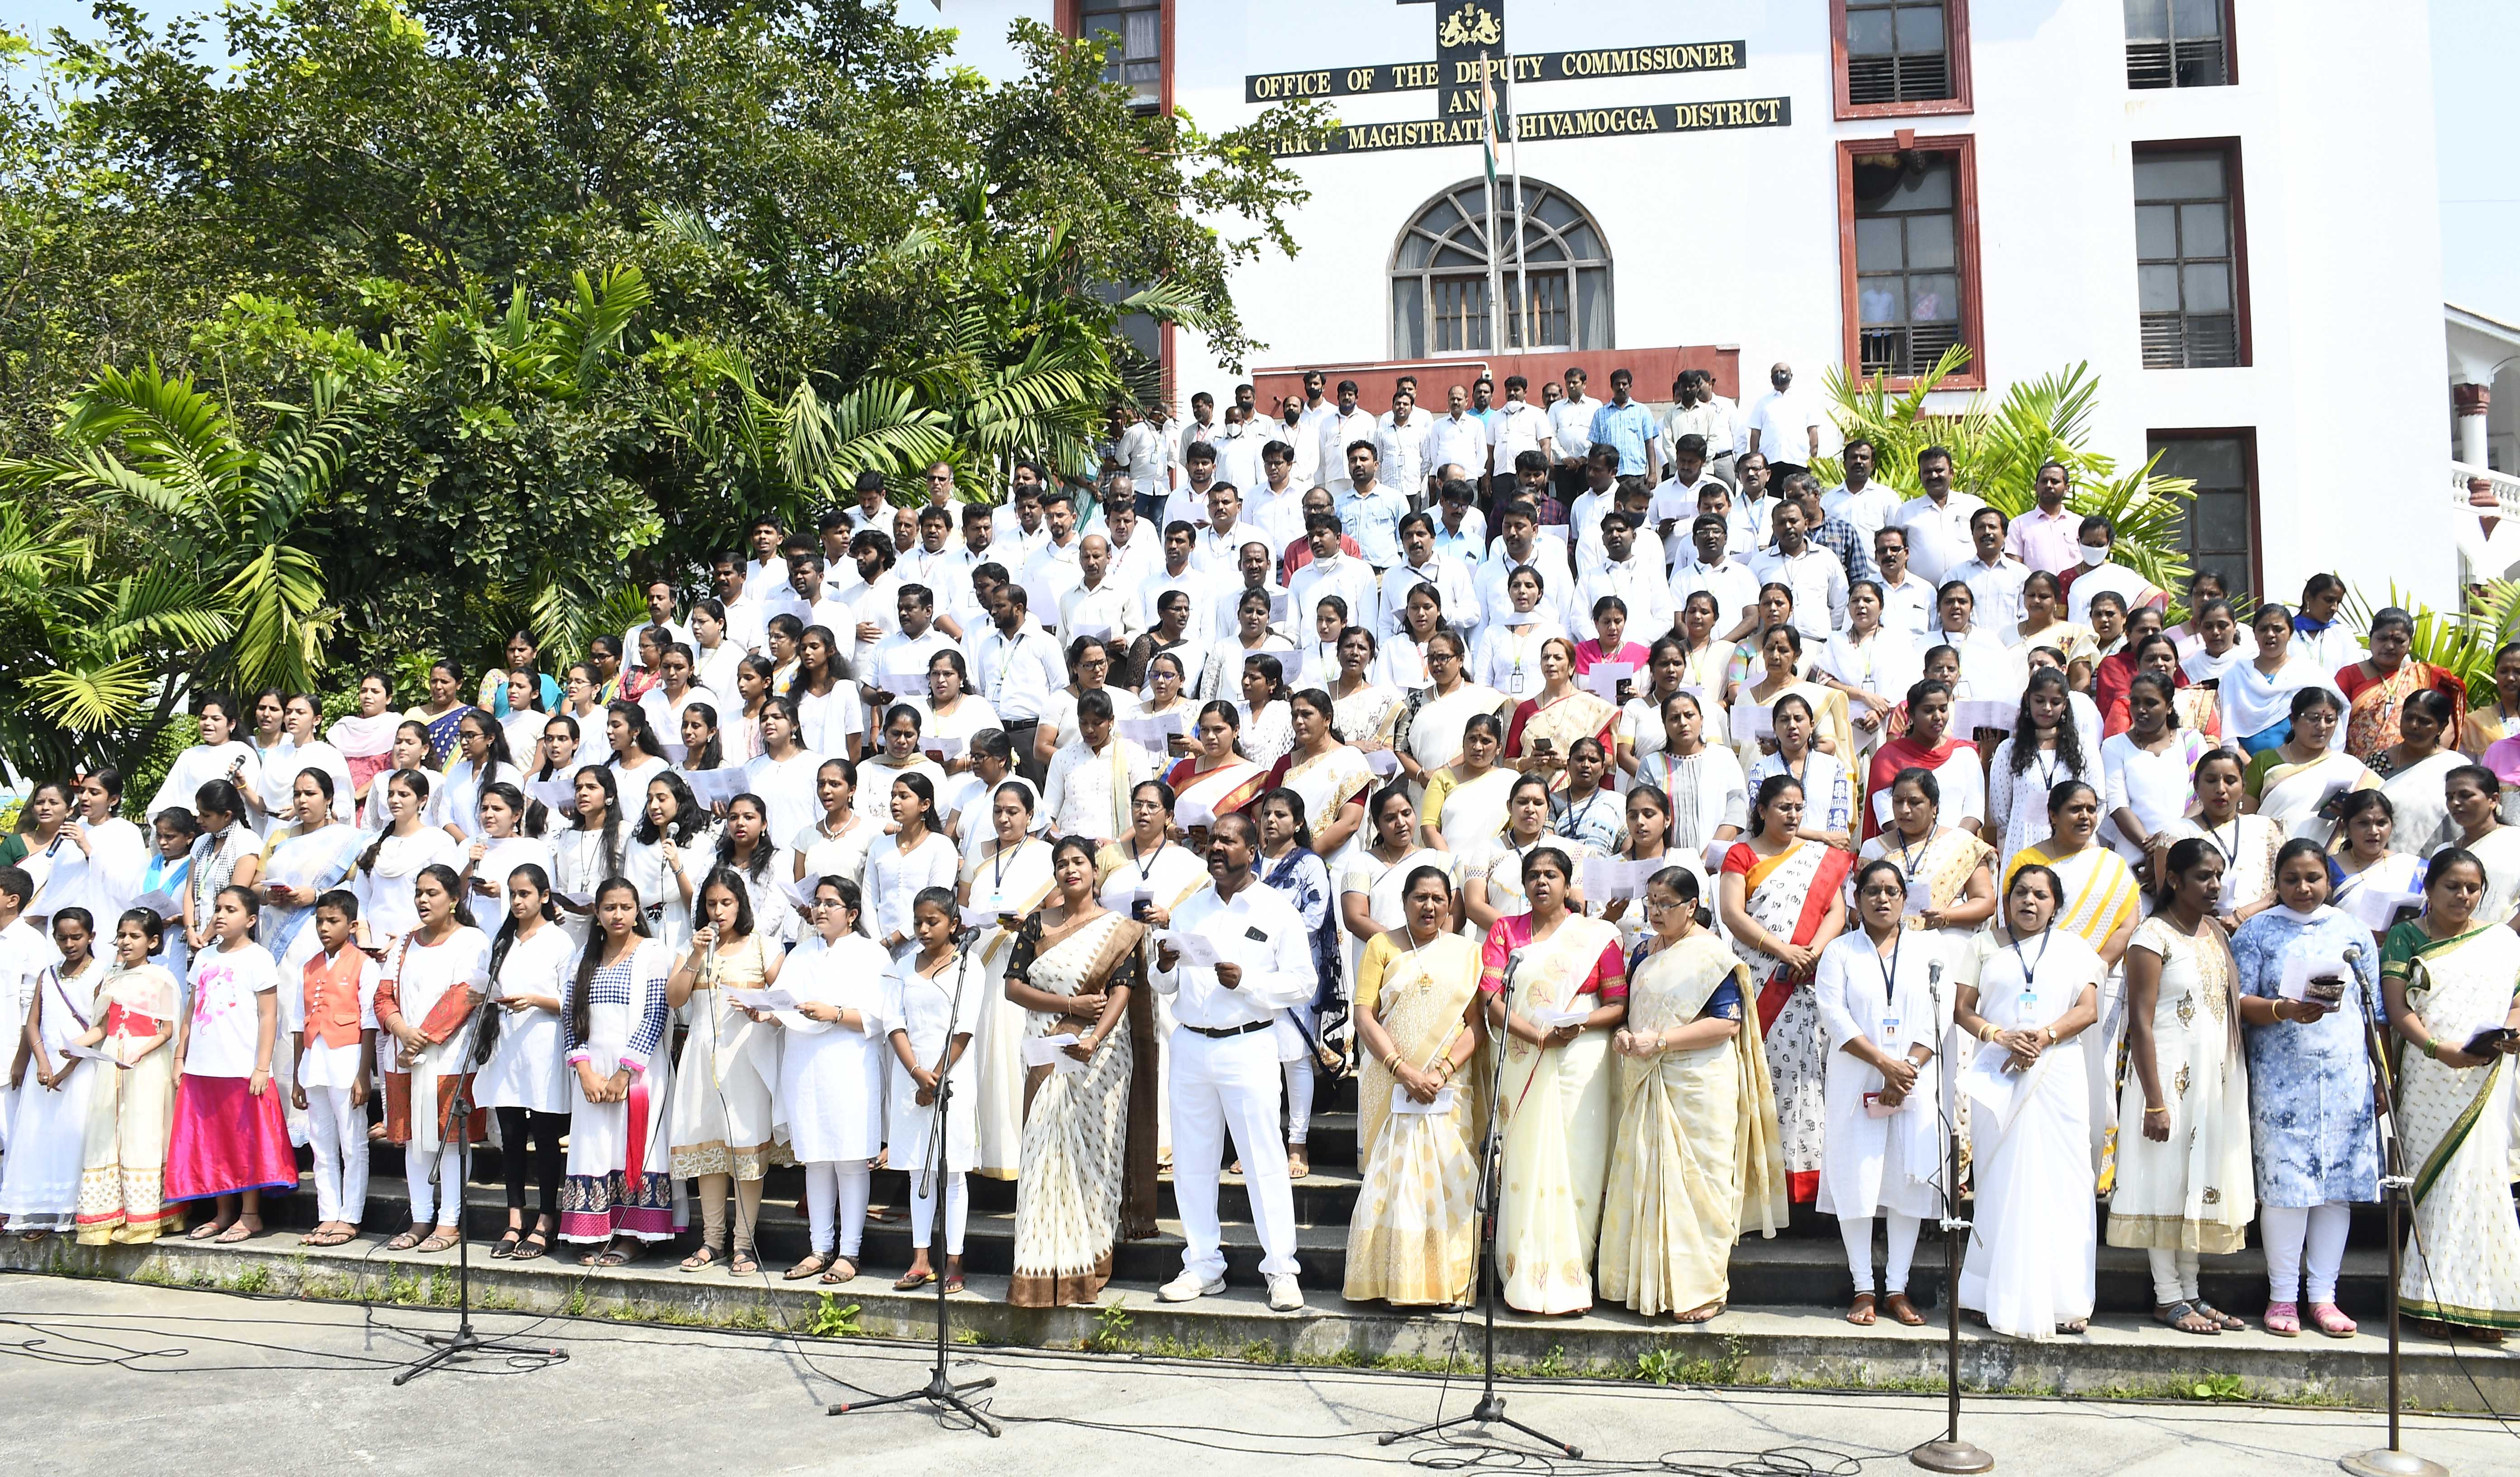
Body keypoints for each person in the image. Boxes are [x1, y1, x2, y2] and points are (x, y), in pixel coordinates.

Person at [1597, 867, 1784, 1321]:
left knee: (1701, 1186)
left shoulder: (1711, 957)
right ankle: (1641, 1284)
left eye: (1665, 904)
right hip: (1647, 1078)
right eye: (1651, 903)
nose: (1655, 912)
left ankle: (1701, 1290)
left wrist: (1659, 1041)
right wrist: (1625, 1034)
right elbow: (1634, 1013)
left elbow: (1728, 1023)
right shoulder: (1642, 952)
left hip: (1698, 1084)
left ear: (1692, 907)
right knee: (1646, 1174)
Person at [1152, 814, 1315, 1311]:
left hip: (1248, 1044)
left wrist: (1246, 982)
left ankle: (1281, 1269)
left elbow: (1303, 983)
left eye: (1229, 840)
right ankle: (1203, 1263)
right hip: (1191, 1044)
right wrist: (1162, 968)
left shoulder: (1275, 909)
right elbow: (1168, 986)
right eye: (1213, 840)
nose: (1217, 847)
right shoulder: (1189, 910)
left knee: (1264, 1160)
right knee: (1194, 1162)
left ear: (1252, 850)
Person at [2230, 840, 2380, 1338]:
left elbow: (2373, 1013)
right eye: (2291, 878)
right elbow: (2238, 1002)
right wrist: (2283, 1009)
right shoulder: (2257, 933)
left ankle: (2324, 1296)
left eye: (2313, 877)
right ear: (2277, 881)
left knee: (2334, 1193)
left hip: (2344, 1077)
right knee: (2285, 1192)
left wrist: (2383, 1075)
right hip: (2280, 1077)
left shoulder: (2354, 933)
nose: (2303, 888)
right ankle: (2282, 1296)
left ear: (2329, 880)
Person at [1953, 864, 2105, 1339]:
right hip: (2000, 1069)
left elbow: (2088, 1009)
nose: (2030, 902)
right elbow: (1963, 1010)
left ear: (2055, 904)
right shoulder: (1983, 945)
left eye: (2041, 895)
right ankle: (1986, 1294)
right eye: (2021, 892)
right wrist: (2000, 1035)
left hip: (2057, 1071)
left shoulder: (2075, 950)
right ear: (2007, 899)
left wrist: (2044, 1035)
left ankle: (2066, 1300)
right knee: (2000, 1180)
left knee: (2066, 1179)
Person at [2110, 839, 2256, 1335]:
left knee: (2198, 1181)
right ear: (2174, 879)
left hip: (2213, 1078)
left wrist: (2285, 1008)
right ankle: (2167, 1295)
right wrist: (2154, 1100)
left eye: (2219, 875)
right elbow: (2142, 1023)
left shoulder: (2215, 932)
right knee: (2166, 1179)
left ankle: (2191, 1290)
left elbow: (2232, 1004)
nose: (2214, 885)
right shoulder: (2152, 937)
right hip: (2167, 1077)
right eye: (2203, 876)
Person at [1007, 834, 1156, 1306]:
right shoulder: (1035, 924)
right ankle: (1039, 1268)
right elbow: (1013, 986)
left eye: (1078, 862)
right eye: (1061, 863)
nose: (1070, 869)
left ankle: (1090, 1259)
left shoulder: (1119, 929)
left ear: (1095, 872)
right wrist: (1068, 1003)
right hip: (1045, 1048)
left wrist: (1093, 1037)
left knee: (1097, 1153)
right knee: (1043, 1151)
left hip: (1102, 1056)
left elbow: (1122, 990)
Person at [2379, 848, 2520, 1341]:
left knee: (2480, 1181)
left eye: (2473, 888)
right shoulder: (2406, 936)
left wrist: (2510, 1033)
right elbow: (2397, 1010)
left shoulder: (2501, 941)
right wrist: (2440, 1050)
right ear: (2430, 890)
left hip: (2486, 1075)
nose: (2463, 896)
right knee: (2435, 1185)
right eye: (2452, 887)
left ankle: (2484, 1305)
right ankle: (2428, 1303)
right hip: (2428, 1074)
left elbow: (2517, 999)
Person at [1482, 844, 1627, 1314]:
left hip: (1582, 1055)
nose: (1542, 882)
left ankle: (1572, 1274)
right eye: (1534, 875)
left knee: (1578, 1158)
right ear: (1523, 884)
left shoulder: (1597, 936)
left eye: (1552, 875)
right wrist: (1537, 1034)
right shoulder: (1506, 931)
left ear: (1568, 884)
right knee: (1527, 1156)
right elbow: (1490, 998)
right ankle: (1523, 1274)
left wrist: (1577, 1026)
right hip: (1527, 1051)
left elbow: (1616, 1004)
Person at [1815, 861, 1954, 1327]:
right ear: (1856, 897)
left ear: (1905, 897)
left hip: (1913, 1082)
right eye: (1872, 890)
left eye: (1892, 891)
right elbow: (1834, 1016)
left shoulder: (1930, 951)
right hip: (1858, 1076)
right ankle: (1862, 1288)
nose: (1882, 899)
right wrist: (1885, 1066)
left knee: (1906, 1183)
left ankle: (1897, 1288)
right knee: (1856, 1181)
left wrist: (1907, 1069)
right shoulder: (1839, 952)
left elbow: (1942, 1011)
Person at [1343, 863, 1485, 1307]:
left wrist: (1440, 1072)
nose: (1429, 906)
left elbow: (1475, 1027)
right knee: (1395, 1185)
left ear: (1450, 905)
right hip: (1392, 1082)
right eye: (1419, 898)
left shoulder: (1468, 953)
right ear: (1404, 903)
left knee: (1450, 1180)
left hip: (1448, 1087)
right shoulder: (1382, 946)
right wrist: (1402, 1070)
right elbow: (1364, 1015)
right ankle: (1391, 1282)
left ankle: (1449, 1284)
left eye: (1438, 899)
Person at [1718, 777, 1853, 1205]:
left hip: (1807, 979)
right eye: (1783, 807)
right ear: (1762, 810)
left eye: (1798, 808)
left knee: (1809, 1078)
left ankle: (1811, 1188)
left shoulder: (1819, 858)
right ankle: (1760, 1190)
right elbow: (1732, 915)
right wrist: (1783, 951)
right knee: (1762, 1078)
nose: (1793, 816)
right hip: (1760, 978)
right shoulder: (1741, 854)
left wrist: (1811, 952)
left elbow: (1837, 910)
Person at [668, 868, 787, 1276]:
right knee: (709, 1150)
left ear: (741, 904)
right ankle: (711, 1240)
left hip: (746, 1058)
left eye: (726, 903)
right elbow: (675, 999)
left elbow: (785, 1008)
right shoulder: (695, 947)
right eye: (711, 904)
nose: (718, 912)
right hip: (702, 1057)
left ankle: (744, 1244)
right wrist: (697, 955)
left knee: (745, 1151)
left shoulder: (764, 947)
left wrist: (763, 1011)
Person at [558, 877, 678, 1266]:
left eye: (626, 907)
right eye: (610, 908)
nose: (618, 915)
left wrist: (625, 1073)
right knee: (595, 1147)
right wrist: (585, 1071)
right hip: (593, 1075)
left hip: (639, 1074)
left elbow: (656, 1014)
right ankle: (598, 1230)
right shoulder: (581, 959)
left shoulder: (653, 953)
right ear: (596, 913)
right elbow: (570, 1016)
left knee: (635, 1147)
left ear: (637, 911)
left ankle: (633, 1236)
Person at [165, 885, 295, 1240]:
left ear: (251, 919)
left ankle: (250, 1214)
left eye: (231, 910)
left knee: (245, 1140)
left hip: (241, 1065)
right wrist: (181, 1055)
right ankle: (223, 1213)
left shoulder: (258, 958)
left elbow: (269, 1015)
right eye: (218, 908)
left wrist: (262, 1066)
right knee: (213, 1140)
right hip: (203, 1066)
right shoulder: (206, 957)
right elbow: (192, 1010)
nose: (220, 915)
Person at [374, 863, 492, 1254]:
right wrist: (402, 1032)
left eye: (432, 894)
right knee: (415, 1142)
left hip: (451, 1058)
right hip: (407, 1054)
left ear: (454, 899)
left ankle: (450, 1221)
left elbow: (464, 994)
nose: (423, 901)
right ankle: (421, 1215)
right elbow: (383, 995)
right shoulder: (407, 942)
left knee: (450, 1139)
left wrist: (420, 1039)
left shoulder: (472, 940)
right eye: (419, 894)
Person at [471, 865, 573, 1263]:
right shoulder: (502, 942)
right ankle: (515, 1218)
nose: (517, 902)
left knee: (546, 1140)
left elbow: (570, 1001)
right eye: (512, 894)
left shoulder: (559, 942)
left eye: (525, 894)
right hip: (507, 1047)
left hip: (544, 1048)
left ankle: (547, 1218)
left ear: (544, 897)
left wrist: (533, 999)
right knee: (511, 1138)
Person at [882, 887, 982, 1292]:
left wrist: (935, 1078)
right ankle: (921, 1258)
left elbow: (965, 1029)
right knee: (916, 1171)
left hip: (951, 1079)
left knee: (952, 1171)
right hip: (911, 1077)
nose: (922, 929)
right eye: (918, 921)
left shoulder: (968, 967)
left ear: (954, 925)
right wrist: (916, 1073)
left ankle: (954, 1259)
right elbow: (894, 1023)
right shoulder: (902, 967)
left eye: (932, 922)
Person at [70, 908, 182, 1244]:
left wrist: (139, 1051)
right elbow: (102, 1027)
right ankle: (110, 1214)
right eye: (122, 935)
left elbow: (166, 1029)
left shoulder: (161, 978)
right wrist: (77, 1044)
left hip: (145, 1061)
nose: (126, 942)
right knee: (109, 1130)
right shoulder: (112, 977)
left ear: (153, 942)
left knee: (142, 1129)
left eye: (134, 936)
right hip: (112, 1057)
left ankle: (145, 1216)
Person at [962, 782, 1057, 1180]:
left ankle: (1030, 1157)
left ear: (1030, 816)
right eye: (998, 811)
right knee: (988, 1062)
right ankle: (992, 1156)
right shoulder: (980, 862)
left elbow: (1061, 912)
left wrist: (1029, 925)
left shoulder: (1046, 856)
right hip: (985, 974)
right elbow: (964, 909)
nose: (1004, 818)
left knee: (1019, 1061)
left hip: (1026, 972)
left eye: (1013, 812)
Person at [0, 908, 102, 1237]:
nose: (70, 944)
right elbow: (34, 1022)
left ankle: (71, 1209)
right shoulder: (49, 973)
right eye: (62, 938)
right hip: (45, 1071)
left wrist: (70, 1065)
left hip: (82, 1068)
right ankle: (43, 1211)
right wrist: (41, 1062)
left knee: (74, 1135)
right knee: (41, 1135)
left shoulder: (101, 973)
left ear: (91, 937)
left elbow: (102, 1026)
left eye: (77, 937)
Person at [288, 892, 377, 1248]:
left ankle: (350, 1216)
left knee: (353, 1142)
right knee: (321, 1144)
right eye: (320, 921)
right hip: (315, 1063)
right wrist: (297, 1074)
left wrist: (363, 1075)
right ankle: (328, 1213)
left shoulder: (364, 965)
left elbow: (369, 1023)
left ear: (352, 925)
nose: (324, 928)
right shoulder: (308, 967)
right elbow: (298, 1023)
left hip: (347, 1061)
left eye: (333, 921)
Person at [1860, 768, 1998, 946]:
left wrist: (1946, 917)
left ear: (1935, 807)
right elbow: (1857, 910)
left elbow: (1985, 902)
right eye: (1898, 802)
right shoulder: (1873, 848)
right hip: (1888, 947)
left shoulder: (1963, 844)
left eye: (1915, 802)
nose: (1905, 810)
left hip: (1949, 946)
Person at [2152, 749, 2286, 929]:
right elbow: (2168, 897)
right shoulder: (2178, 834)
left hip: (2262, 929)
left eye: (2230, 781)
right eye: (2211, 781)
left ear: (2243, 787)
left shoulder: (2267, 829)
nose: (2221, 789)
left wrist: (2244, 915)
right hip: (2197, 932)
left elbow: (2285, 886)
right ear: (2197, 786)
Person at [1986, 669, 2104, 867]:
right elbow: (2000, 812)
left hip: (2076, 845)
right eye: (2039, 701)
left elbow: (2099, 801)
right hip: (2023, 842)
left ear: (2065, 704)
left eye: (2055, 702)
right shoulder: (2008, 749)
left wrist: (2075, 834)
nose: (2047, 708)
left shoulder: (2085, 747)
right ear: (2027, 700)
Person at [2100, 674, 2212, 868]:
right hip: (2136, 859)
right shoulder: (2114, 746)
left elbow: (2201, 799)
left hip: (2186, 855)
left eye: (2151, 703)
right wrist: (2151, 851)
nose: (2140, 710)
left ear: (2169, 707)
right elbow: (2118, 806)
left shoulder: (2192, 741)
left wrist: (2169, 843)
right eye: (2135, 703)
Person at [2242, 688, 2375, 842]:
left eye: (2330, 720)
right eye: (2314, 718)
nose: (2322, 726)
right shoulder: (2265, 760)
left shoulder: (2349, 767)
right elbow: (2246, 817)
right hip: (2269, 851)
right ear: (2293, 720)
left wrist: (2350, 813)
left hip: (2324, 858)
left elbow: (2372, 814)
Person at [2338, 608, 2467, 764]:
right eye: (2383, 638)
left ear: (2410, 644)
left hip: (2416, 769)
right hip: (2357, 772)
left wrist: (2425, 764)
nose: (2390, 646)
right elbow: (2335, 726)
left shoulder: (2425, 676)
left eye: (2399, 641)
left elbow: (2447, 729)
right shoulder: (2349, 676)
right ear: (2371, 638)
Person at [1862, 680, 1984, 843]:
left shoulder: (1965, 754)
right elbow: (1887, 817)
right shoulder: (1888, 757)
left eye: (1943, 709)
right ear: (1911, 714)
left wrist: (1951, 847)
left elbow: (1974, 810)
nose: (1938, 717)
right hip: (1905, 851)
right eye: (1928, 710)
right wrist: (1923, 849)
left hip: (1958, 851)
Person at [1633, 691, 1748, 861]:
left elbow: (1737, 811)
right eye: (1674, 718)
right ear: (1665, 724)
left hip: (1718, 865)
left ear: (1701, 720)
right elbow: (1645, 816)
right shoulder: (1651, 764)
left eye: (1689, 716)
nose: (1683, 723)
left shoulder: (1723, 757)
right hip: (1666, 867)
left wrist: (1705, 860)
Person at [1393, 631, 1507, 794]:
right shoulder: (1414, 700)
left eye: (1443, 658)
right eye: (1431, 658)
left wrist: (1443, 772)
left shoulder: (1485, 698)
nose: (1436, 664)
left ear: (1461, 660)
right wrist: (1421, 775)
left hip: (1469, 787)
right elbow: (1401, 748)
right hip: (1423, 790)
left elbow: (1489, 745)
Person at [1502, 636, 1618, 791]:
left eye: (1557, 658)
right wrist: (1530, 762)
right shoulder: (1526, 709)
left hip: (1578, 793)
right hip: (1534, 795)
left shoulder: (1592, 707)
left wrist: (1569, 761)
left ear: (1571, 667)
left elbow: (1608, 758)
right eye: (1546, 658)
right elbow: (1508, 762)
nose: (1550, 663)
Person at [865, 774, 960, 958]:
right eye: (893, 796)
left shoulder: (941, 846)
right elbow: (869, 899)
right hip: (880, 947)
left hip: (923, 944)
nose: (895, 802)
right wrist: (878, 943)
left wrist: (895, 939)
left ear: (925, 805)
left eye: (903, 796)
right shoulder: (880, 845)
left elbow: (937, 901)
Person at [1748, 692, 1853, 851]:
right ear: (1774, 727)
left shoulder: (1833, 767)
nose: (1792, 726)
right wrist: (1822, 837)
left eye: (1798, 719)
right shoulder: (1761, 769)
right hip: (1774, 857)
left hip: (1823, 859)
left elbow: (1837, 831)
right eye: (1784, 720)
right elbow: (1763, 821)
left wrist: (1827, 842)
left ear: (1812, 725)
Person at [623, 773, 712, 954]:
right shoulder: (636, 844)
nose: (654, 806)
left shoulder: (701, 845)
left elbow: (698, 905)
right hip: (644, 927)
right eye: (650, 800)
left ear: (679, 802)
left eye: (661, 799)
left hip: (682, 925)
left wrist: (677, 867)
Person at [146, 694, 263, 825]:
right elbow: (168, 797)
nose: (208, 723)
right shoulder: (189, 755)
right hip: (190, 830)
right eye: (203, 718)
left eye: (215, 719)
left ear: (231, 724)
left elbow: (258, 804)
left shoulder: (243, 753)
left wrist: (241, 785)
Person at [177, 780, 263, 959]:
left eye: (206, 815)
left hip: (229, 941)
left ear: (227, 815)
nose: (199, 820)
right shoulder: (201, 843)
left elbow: (235, 898)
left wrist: (206, 938)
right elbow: (190, 892)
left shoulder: (247, 841)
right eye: (199, 813)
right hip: (196, 938)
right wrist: (191, 931)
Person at [2373, 690, 2465, 857]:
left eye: (2424, 721)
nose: (2414, 726)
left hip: (2441, 864)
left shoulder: (2458, 767)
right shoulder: (2378, 762)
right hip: (2383, 861)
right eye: (2409, 718)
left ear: (2442, 727)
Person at [2327, 790, 2426, 940]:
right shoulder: (2327, 869)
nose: (2373, 831)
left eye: (2381, 823)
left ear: (2392, 826)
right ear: (2346, 826)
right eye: (2363, 823)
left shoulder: (2418, 868)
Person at [1165, 700, 1271, 839]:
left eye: (1218, 730)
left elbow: (1261, 825)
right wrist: (1171, 831)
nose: (1210, 737)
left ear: (1236, 731)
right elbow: (1163, 812)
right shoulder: (1183, 768)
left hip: (1230, 855)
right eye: (1205, 730)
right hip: (1182, 854)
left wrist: (1221, 837)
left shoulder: (1253, 776)